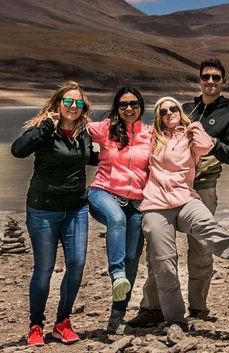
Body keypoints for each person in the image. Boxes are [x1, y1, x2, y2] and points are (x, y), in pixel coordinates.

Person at [131, 59, 229, 326]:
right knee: (158, 252)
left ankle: (198, 307)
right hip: (165, 191)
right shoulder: (184, 110)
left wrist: (212, 143)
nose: (211, 81)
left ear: (223, 81)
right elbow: (156, 138)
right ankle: (152, 307)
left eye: (216, 77)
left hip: (202, 187)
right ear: (199, 80)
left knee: (201, 249)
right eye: (206, 77)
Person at [11, 81, 96, 347]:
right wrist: (46, 126)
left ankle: (63, 322)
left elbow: (98, 158)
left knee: (77, 264)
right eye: (68, 102)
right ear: (58, 104)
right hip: (43, 209)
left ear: (84, 108)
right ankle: (36, 325)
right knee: (44, 269)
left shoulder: (84, 133)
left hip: (75, 208)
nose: (73, 106)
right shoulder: (45, 130)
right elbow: (18, 150)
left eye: (78, 103)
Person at [86, 87, 151, 334]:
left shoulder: (149, 135)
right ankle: (116, 274)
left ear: (141, 107)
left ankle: (117, 317)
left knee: (133, 259)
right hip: (103, 192)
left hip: (136, 202)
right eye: (123, 105)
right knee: (115, 218)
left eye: (134, 104)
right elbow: (74, 123)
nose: (129, 109)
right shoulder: (105, 128)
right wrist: (51, 119)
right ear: (116, 107)